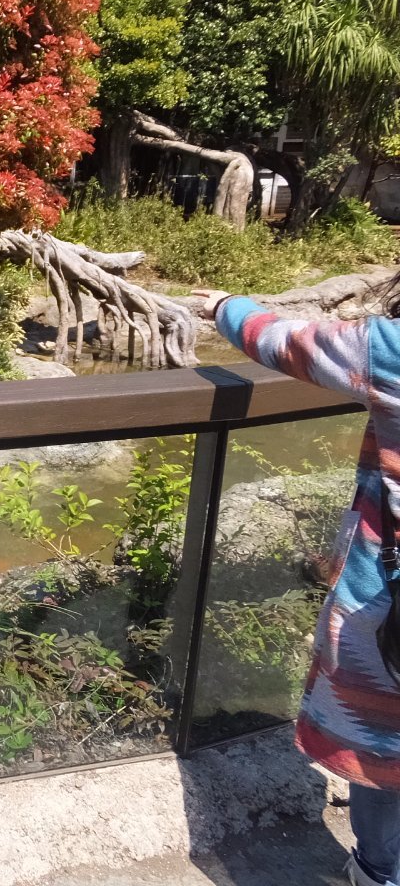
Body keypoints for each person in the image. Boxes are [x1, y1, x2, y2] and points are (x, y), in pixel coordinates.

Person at [196, 283, 400, 886]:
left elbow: (283, 340)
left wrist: (222, 306)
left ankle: (379, 871)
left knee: (382, 748)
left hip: (388, 610)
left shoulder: (388, 348)